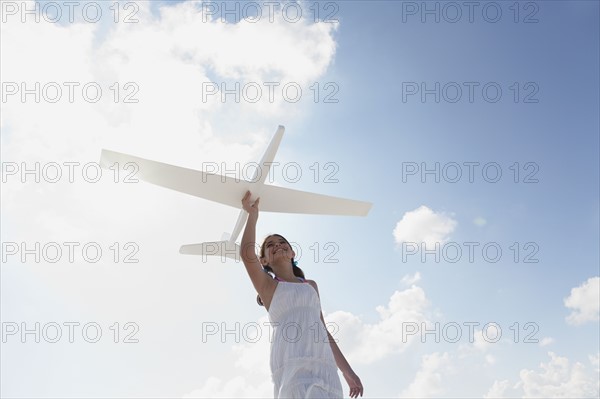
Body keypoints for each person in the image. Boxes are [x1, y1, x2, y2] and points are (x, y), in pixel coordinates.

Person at [240, 190, 364, 399]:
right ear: (264, 261)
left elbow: (322, 330)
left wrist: (347, 371)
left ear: (292, 252)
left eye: (281, 242)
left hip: (322, 365)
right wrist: (252, 216)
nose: (277, 245)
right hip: (292, 364)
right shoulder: (268, 286)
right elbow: (246, 254)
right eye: (270, 245)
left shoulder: (311, 286)